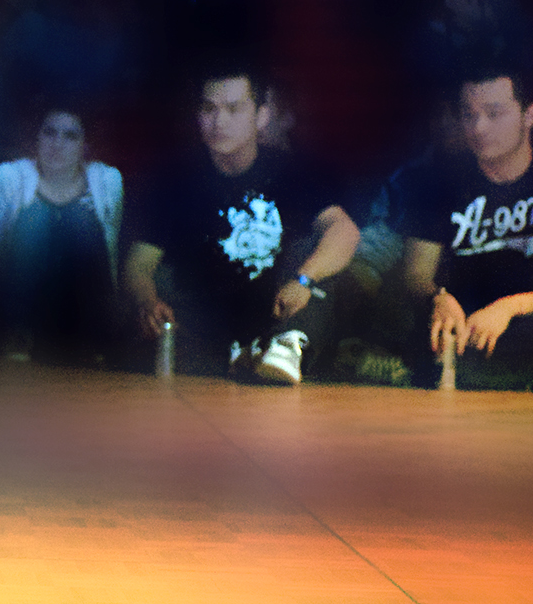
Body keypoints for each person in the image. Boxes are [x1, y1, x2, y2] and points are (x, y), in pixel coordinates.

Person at [124, 62, 360, 383]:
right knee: (154, 288)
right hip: (203, 319)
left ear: (261, 116)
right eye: (209, 109)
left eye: (234, 109)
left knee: (324, 265)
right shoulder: (175, 179)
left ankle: (284, 348)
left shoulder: (291, 171)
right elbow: (139, 264)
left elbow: (345, 230)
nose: (219, 121)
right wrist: (147, 301)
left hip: (276, 311)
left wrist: (305, 278)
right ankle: (229, 355)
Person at [398, 62, 533, 387]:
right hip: (461, 323)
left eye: (494, 114)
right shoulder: (440, 179)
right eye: (469, 115)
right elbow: (416, 273)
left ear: (530, 115)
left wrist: (511, 308)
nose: (478, 128)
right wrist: (438, 298)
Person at [0, 105, 123, 363]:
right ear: (36, 137)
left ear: (85, 145)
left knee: (80, 219)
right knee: (34, 219)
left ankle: (92, 343)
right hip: (21, 300)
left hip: (76, 305)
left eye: (70, 136)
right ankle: (16, 336)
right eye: (50, 133)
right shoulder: (9, 177)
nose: (57, 144)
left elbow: (109, 254)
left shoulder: (107, 181)